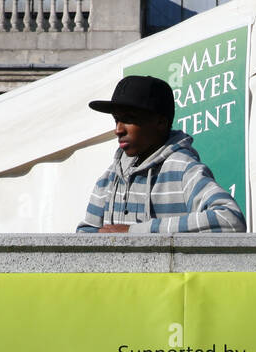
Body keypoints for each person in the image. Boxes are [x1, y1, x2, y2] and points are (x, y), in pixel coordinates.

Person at [76, 75, 245, 234]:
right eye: (116, 119)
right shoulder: (110, 178)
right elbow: (85, 234)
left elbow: (230, 219)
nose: (118, 130)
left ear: (161, 123)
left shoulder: (183, 168)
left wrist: (135, 232)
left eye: (129, 119)